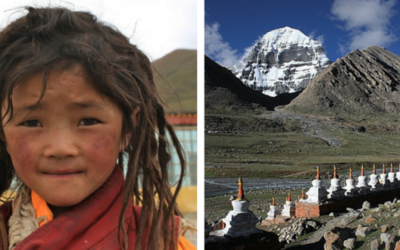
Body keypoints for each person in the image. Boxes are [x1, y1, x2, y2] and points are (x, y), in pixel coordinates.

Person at [0, 6, 196, 250]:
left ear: (127, 129)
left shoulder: (170, 243)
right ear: (3, 134)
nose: (61, 148)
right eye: (32, 122)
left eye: (88, 121)